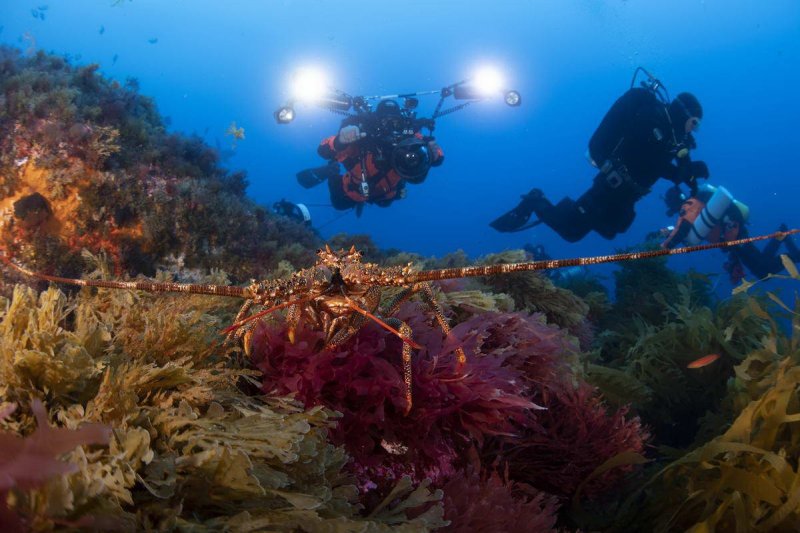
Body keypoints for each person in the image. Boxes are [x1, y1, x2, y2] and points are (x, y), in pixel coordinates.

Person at [491, 81, 709, 242]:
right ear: (684, 115)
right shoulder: (652, 122)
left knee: (612, 229)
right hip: (610, 186)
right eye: (694, 123)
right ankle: (535, 200)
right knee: (571, 231)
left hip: (626, 194)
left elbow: (665, 167)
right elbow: (651, 162)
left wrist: (688, 174)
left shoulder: (673, 137)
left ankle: (563, 207)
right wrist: (683, 172)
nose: (694, 130)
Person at [296, 99, 444, 213]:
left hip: (386, 194)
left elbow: (438, 157)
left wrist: (433, 151)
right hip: (353, 190)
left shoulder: (411, 140)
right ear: (376, 122)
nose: (391, 128)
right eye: (386, 122)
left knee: (385, 203)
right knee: (339, 204)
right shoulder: (362, 138)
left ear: (402, 124)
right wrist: (340, 140)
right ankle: (332, 171)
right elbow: (323, 150)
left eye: (396, 123)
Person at [659, 184, 800, 283]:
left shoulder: (689, 205)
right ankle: (781, 236)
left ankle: (792, 250)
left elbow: (683, 228)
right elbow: (685, 230)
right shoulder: (694, 204)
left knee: (763, 271)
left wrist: (666, 247)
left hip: (735, 235)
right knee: (762, 268)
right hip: (733, 237)